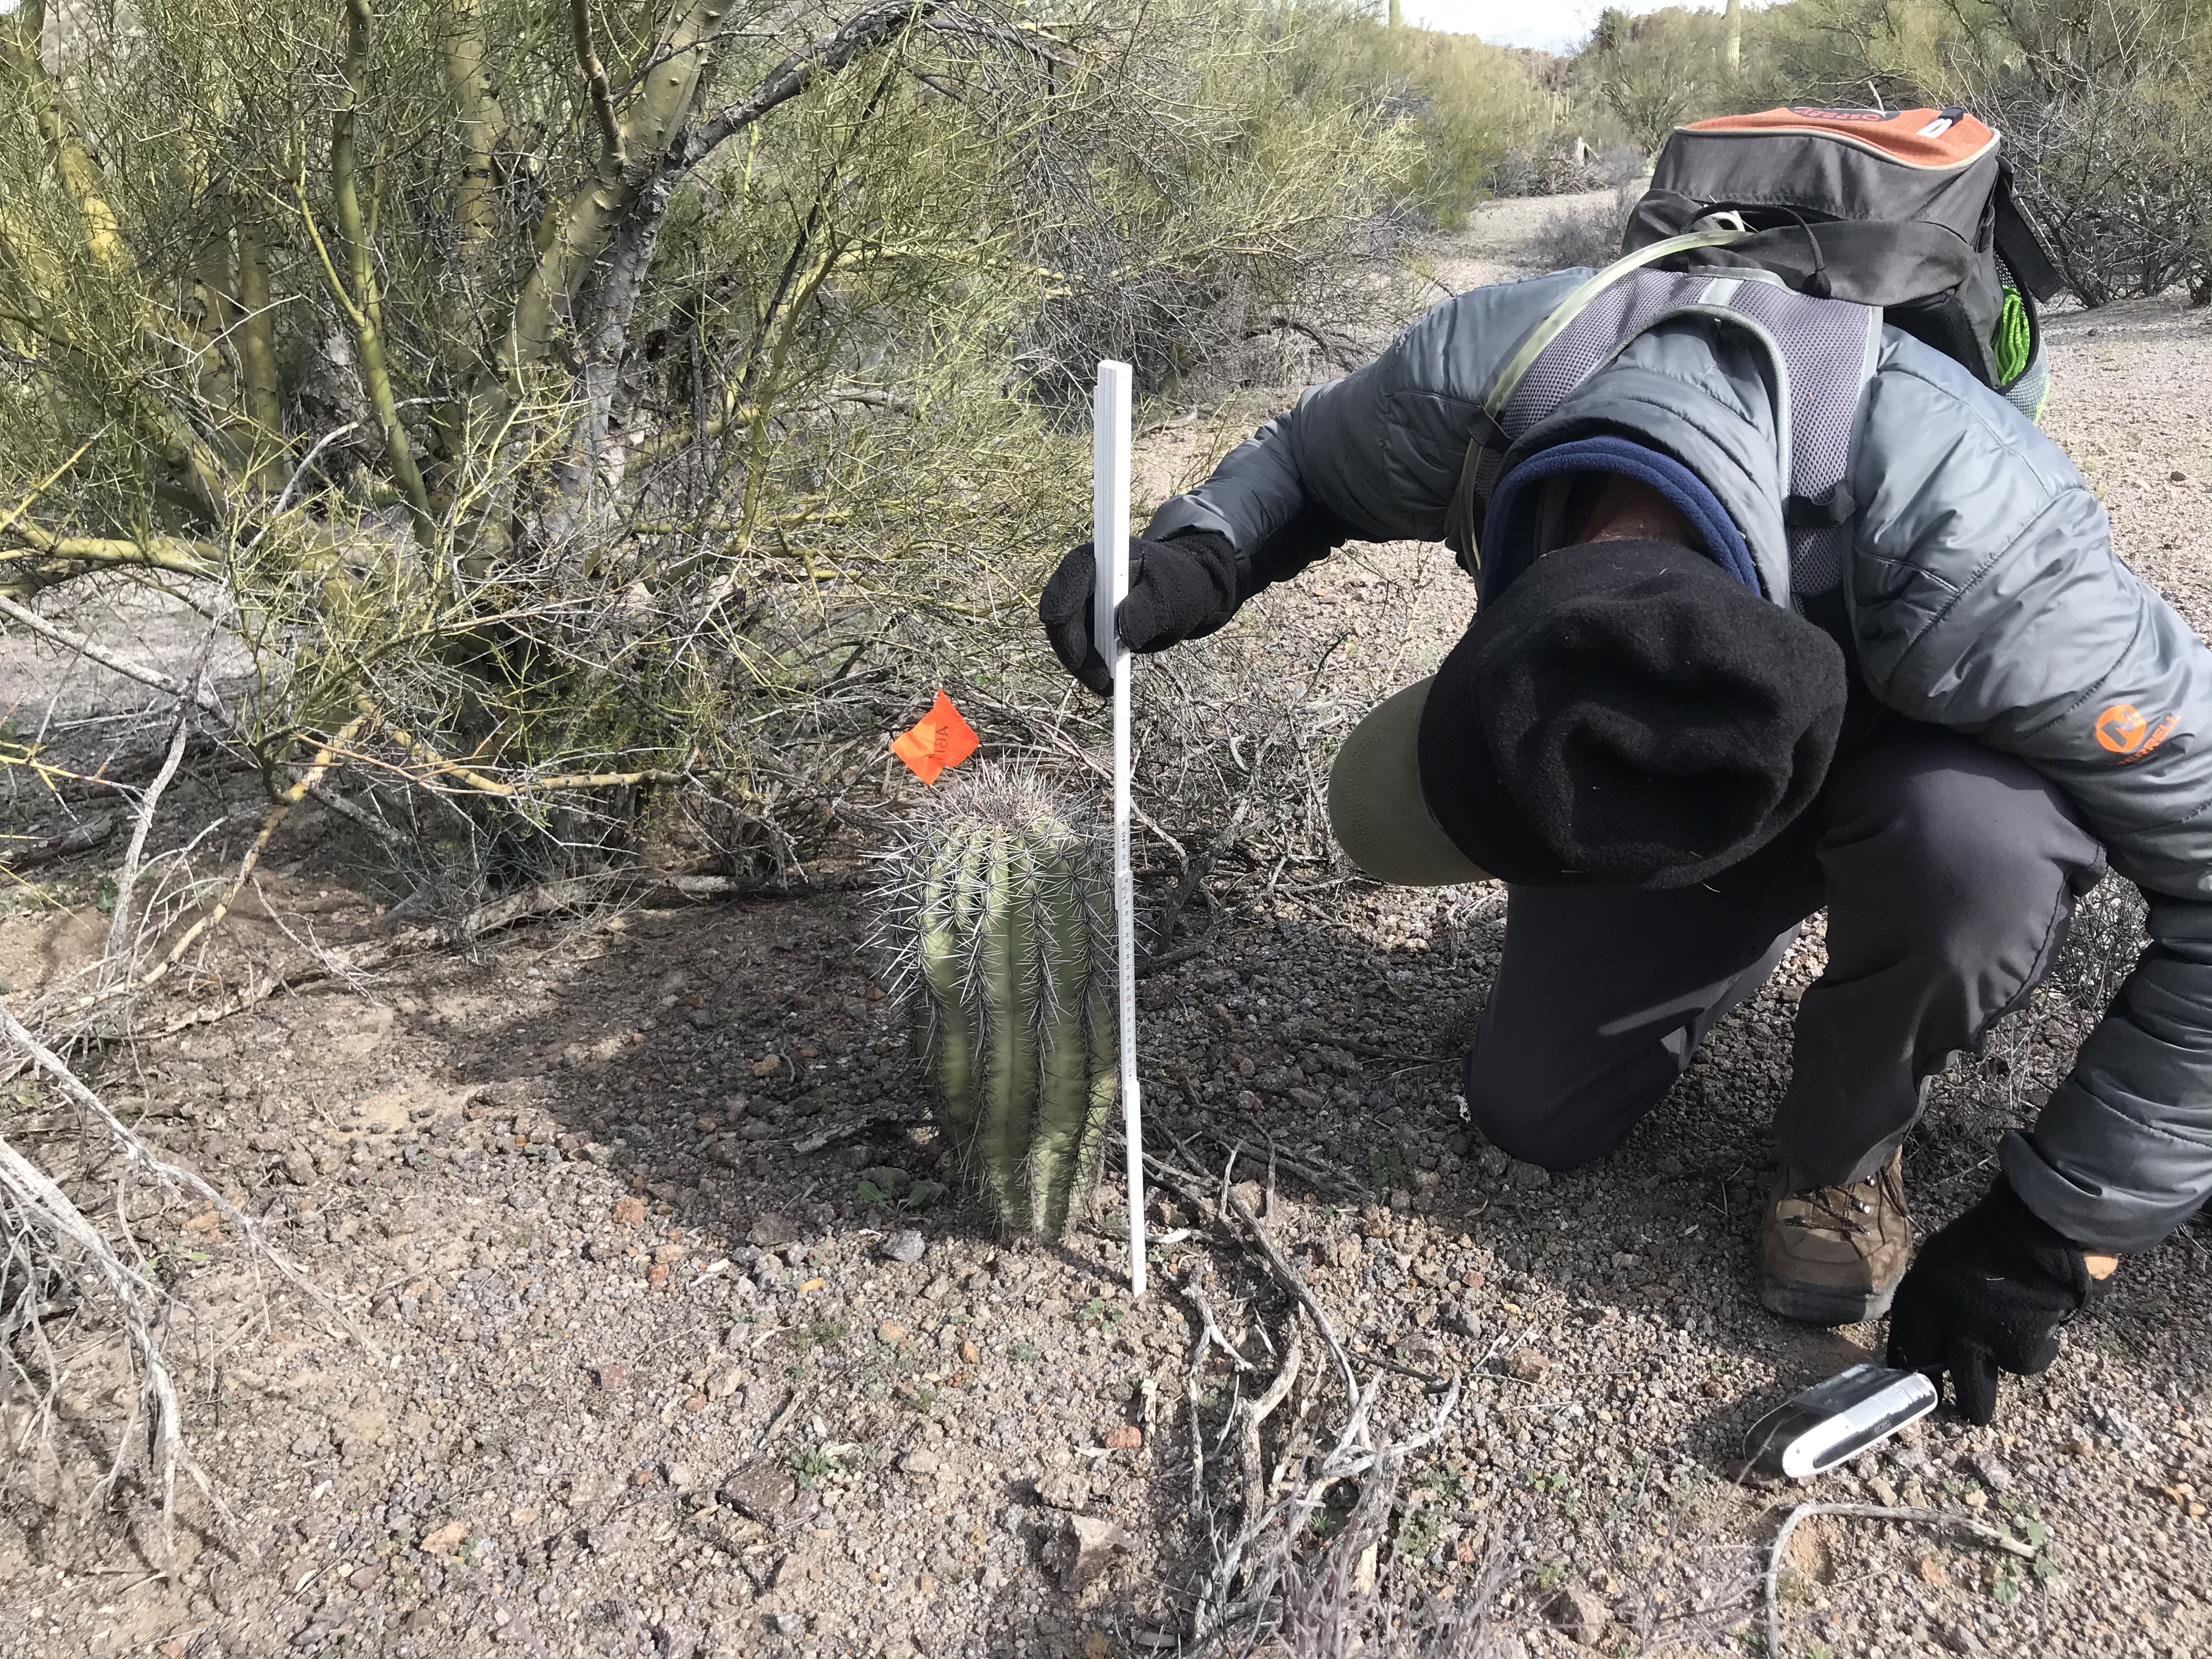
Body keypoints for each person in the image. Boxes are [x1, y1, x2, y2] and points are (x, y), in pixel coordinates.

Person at [1035, 268, 2212, 1427]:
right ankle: (1714, 913)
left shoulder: (1975, 535)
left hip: (1908, 774)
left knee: (1973, 852)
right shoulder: (1487, 379)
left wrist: (2054, 1240)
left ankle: (1843, 1152)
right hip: (1673, 770)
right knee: (1532, 1113)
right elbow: (1304, 464)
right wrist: (1197, 557)